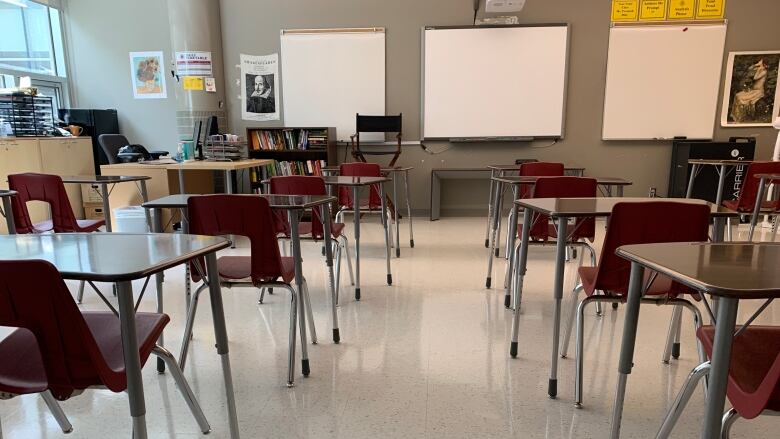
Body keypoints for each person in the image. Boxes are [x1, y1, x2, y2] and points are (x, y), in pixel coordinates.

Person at [731, 59, 769, 123]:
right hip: (753, 90)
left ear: (763, 63)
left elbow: (755, 78)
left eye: (760, 61)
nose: (759, 62)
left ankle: (741, 118)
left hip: (758, 91)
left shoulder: (764, 71)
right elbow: (749, 69)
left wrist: (759, 68)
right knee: (737, 95)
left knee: (741, 98)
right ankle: (736, 117)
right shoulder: (759, 68)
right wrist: (755, 65)